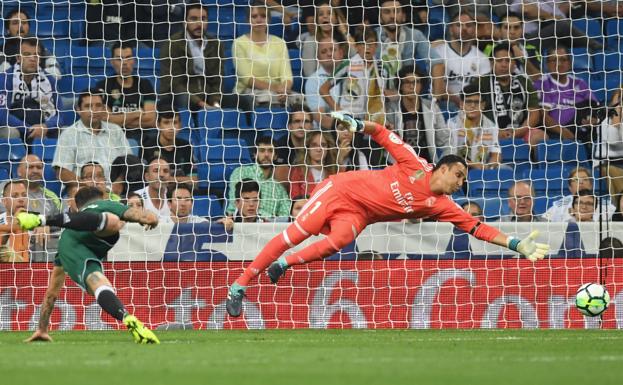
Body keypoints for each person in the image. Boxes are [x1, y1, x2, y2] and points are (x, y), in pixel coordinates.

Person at [225, 112, 550, 317]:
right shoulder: (413, 163)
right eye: (460, 176)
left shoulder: (442, 206)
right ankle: (239, 286)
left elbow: (477, 228)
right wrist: (357, 124)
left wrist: (516, 243)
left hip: (358, 215)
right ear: (446, 168)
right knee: (295, 235)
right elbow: (381, 132)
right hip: (338, 190)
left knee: (336, 241)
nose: (461, 183)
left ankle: (283, 265)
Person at [23, 186, 160, 344]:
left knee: (99, 284)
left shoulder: (64, 242)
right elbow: (138, 214)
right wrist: (148, 216)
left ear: (76, 206)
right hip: (100, 230)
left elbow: (51, 293)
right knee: (114, 221)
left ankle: (127, 318)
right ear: (101, 197)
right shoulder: (103, 204)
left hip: (76, 247)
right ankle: (44, 219)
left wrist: (42, 328)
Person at [160, 3, 241, 111]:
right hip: (180, 97)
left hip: (209, 98)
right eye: (194, 19)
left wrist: (215, 103)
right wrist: (201, 103)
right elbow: (174, 84)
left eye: (203, 19)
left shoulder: (215, 44)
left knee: (244, 101)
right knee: (185, 100)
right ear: (185, 23)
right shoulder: (173, 44)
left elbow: (217, 80)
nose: (199, 24)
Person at [53, 91, 131, 186]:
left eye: (98, 105)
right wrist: (89, 187)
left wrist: (117, 186)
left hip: (116, 191)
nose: (94, 110)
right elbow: (62, 173)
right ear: (78, 109)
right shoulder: (69, 134)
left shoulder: (116, 130)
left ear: (103, 108)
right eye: (88, 106)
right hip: (83, 191)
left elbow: (129, 164)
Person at [477, 42, 544, 146]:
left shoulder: (524, 82)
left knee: (540, 136)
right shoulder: (481, 82)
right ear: (491, 63)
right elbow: (473, 112)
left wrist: (518, 132)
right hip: (488, 133)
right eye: (499, 61)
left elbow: (534, 114)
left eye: (508, 60)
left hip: (520, 131)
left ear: (514, 64)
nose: (504, 64)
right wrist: (495, 132)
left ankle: (533, 161)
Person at [0, 37, 62, 141]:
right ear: (18, 58)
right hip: (16, 127)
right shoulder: (5, 79)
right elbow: (2, 115)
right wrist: (29, 129)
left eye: (36, 55)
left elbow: (61, 116)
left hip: (42, 126)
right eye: (27, 54)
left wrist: (46, 126)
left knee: (66, 132)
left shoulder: (49, 79)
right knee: (11, 133)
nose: (33, 58)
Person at [233, 1, 293, 107]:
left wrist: (284, 89)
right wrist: (275, 88)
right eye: (254, 16)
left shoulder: (280, 43)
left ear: (269, 19)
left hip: (279, 91)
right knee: (270, 100)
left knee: (301, 101)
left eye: (263, 16)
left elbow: (287, 75)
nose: (259, 20)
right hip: (248, 92)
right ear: (248, 20)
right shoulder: (239, 43)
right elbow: (246, 78)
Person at [94, 42, 157, 142]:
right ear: (112, 62)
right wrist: (136, 114)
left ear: (134, 60)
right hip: (112, 138)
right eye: (119, 59)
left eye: (128, 58)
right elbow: (105, 119)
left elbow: (151, 119)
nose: (124, 63)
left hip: (143, 139)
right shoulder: (102, 86)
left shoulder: (145, 85)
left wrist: (117, 119)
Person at [431, 7, 491, 110]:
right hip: (444, 104)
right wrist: (458, 101)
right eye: (459, 25)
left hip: (472, 106)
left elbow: (484, 90)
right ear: (450, 29)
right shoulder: (438, 52)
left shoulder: (482, 58)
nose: (464, 29)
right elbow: (435, 88)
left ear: (474, 30)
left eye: (468, 25)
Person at [535, 45, 597, 144]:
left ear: (570, 63)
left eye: (563, 60)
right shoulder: (543, 83)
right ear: (547, 64)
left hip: (583, 126)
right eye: (554, 60)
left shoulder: (579, 82)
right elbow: (543, 117)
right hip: (558, 131)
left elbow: (594, 106)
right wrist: (563, 131)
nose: (559, 64)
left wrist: (593, 119)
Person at [395, 65, 450, 164]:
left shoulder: (432, 108)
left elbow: (446, 141)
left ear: (421, 86)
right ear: (401, 85)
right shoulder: (391, 110)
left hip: (426, 165)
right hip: (399, 166)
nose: (412, 86)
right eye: (407, 82)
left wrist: (443, 164)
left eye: (416, 82)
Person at [226, 137, 291, 220]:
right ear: (255, 154)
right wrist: (266, 217)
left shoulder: (279, 188)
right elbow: (235, 204)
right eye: (262, 151)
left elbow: (285, 216)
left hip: (268, 230)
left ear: (275, 156)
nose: (266, 155)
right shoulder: (241, 172)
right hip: (239, 223)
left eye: (270, 151)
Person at [448, 84, 502, 170]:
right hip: (456, 169)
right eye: (468, 102)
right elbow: (451, 156)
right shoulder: (452, 124)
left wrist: (489, 166)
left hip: (482, 172)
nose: (472, 106)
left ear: (483, 105)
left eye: (477, 102)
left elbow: (496, 154)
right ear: (462, 104)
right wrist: (474, 165)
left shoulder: (491, 126)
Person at [0, 8, 61, 79]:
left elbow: (56, 71)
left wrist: (34, 79)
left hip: (40, 88)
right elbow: (6, 76)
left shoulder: (40, 47)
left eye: (24, 23)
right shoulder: (1, 51)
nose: (20, 26)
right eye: (15, 23)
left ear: (28, 27)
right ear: (7, 30)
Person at [141, 109, 195, 185]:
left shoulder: (186, 146)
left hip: (180, 192)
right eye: (166, 123)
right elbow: (145, 178)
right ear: (158, 125)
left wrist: (169, 179)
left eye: (175, 123)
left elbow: (194, 180)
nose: (171, 128)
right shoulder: (147, 146)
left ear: (180, 126)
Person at [544, 167, 615, 221]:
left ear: (591, 185)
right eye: (576, 180)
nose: (581, 182)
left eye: (585, 179)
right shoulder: (559, 206)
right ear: (570, 187)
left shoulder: (606, 206)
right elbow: (543, 221)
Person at [299, 0, 349, 78]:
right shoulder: (310, 42)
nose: (325, 16)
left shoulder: (343, 40)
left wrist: (345, 32)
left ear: (336, 19)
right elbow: (309, 75)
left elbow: (358, 60)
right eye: (321, 14)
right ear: (317, 21)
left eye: (329, 13)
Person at [304, 36, 345, 129]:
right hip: (327, 133)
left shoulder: (355, 73)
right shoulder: (313, 81)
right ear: (318, 59)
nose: (329, 54)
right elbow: (320, 118)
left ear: (341, 53)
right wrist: (347, 126)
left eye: (333, 50)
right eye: (324, 52)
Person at [287, 131, 339, 198]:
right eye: (314, 145)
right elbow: (294, 199)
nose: (319, 149)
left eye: (323, 145)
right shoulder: (298, 172)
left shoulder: (335, 172)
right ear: (308, 148)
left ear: (328, 148)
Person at [594, 86, 623, 196]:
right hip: (607, 165)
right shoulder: (605, 122)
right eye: (618, 102)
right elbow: (613, 142)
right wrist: (616, 121)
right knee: (612, 170)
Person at [273, 106, 314, 182]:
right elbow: (282, 182)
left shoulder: (317, 144)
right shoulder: (280, 145)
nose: (301, 126)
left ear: (312, 126)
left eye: (306, 122)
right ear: (289, 126)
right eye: (297, 121)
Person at [0, 180, 31, 262]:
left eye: (24, 195)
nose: (21, 199)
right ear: (4, 201)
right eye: (14, 196)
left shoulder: (39, 221)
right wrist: (12, 226)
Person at [135, 158, 172, 222]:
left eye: (165, 171)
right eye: (156, 171)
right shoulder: (135, 198)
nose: (161, 175)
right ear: (147, 177)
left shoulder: (174, 198)